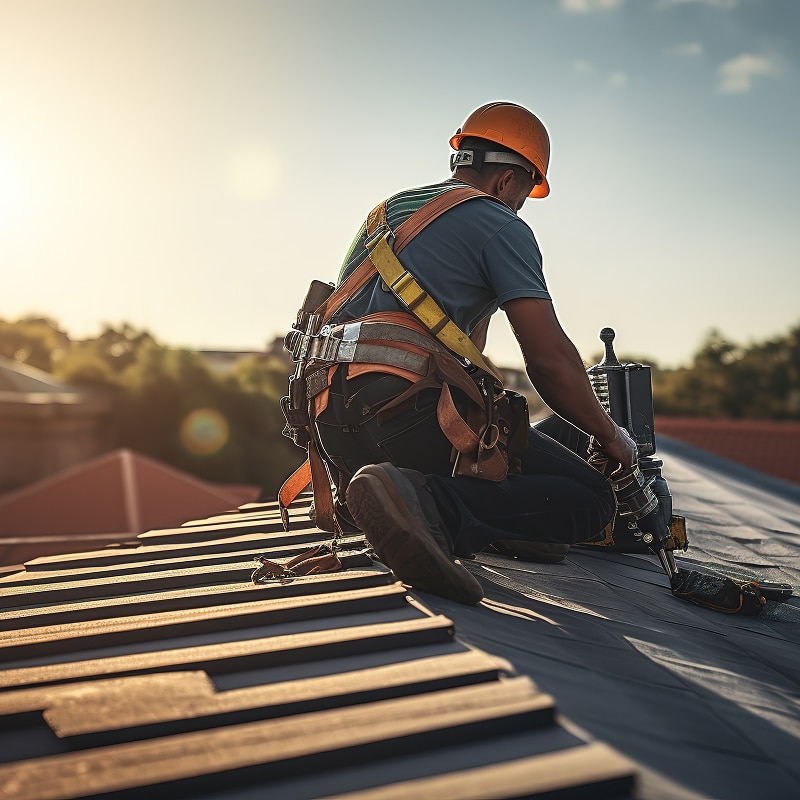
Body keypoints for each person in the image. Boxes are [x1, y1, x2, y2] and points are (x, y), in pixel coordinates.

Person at [305, 101, 636, 605]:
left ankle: (414, 501)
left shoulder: (389, 210)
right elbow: (548, 360)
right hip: (402, 412)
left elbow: (436, 343)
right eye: (524, 195)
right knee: (590, 500)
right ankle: (428, 505)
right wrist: (611, 437)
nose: (520, 207)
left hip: (332, 429)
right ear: (508, 181)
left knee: (525, 477)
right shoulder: (499, 224)